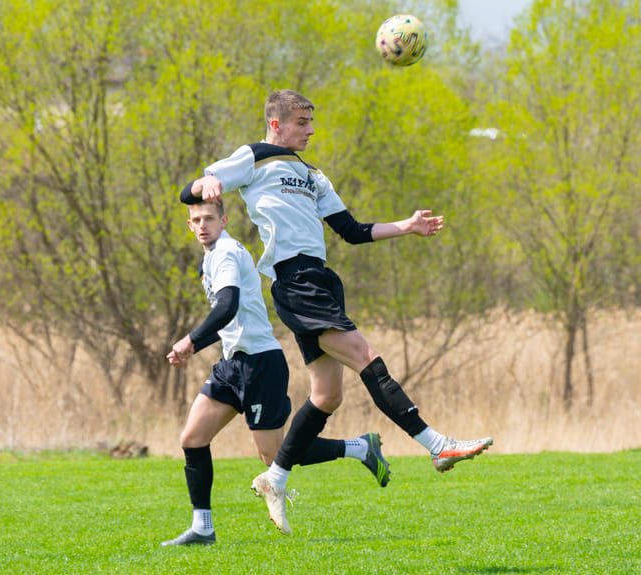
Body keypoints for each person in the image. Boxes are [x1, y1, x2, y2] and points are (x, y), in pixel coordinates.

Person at [181, 89, 492, 535]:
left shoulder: (313, 175)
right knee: (365, 355)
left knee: (328, 396)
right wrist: (203, 184)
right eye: (302, 122)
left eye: (310, 121)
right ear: (277, 125)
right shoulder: (255, 157)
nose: (310, 130)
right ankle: (436, 444)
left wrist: (405, 226)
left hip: (322, 280)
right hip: (296, 283)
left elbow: (350, 230)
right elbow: (191, 190)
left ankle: (275, 478)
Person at [161, 199, 391, 547]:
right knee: (192, 439)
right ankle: (202, 527)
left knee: (274, 456)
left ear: (223, 221)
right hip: (231, 365)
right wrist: (194, 345)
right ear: (190, 225)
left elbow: (228, 305)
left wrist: (190, 339)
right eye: (196, 219)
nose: (203, 224)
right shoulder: (210, 257)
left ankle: (360, 448)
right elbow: (225, 318)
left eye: (209, 217)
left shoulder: (225, 253)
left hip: (259, 365)